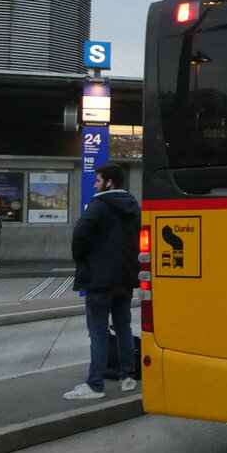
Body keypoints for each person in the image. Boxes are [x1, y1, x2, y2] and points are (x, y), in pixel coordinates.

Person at [64, 163, 140, 400]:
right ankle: (127, 376)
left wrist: (82, 259)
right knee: (124, 327)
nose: (95, 185)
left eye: (98, 181)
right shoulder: (133, 206)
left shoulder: (98, 206)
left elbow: (79, 235)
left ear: (109, 182)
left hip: (99, 279)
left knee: (97, 332)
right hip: (125, 278)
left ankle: (95, 384)